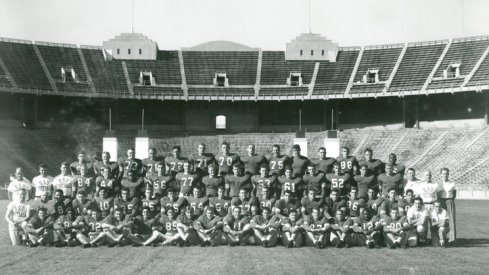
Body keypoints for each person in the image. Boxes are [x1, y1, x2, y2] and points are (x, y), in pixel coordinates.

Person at [437, 167, 456, 245]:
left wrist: (449, 200)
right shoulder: (438, 183)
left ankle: (452, 239)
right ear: (441, 174)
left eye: (446, 174)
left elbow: (454, 194)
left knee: (451, 220)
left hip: (449, 201)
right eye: (443, 174)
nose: (445, 175)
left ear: (448, 174)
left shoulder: (452, 183)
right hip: (441, 201)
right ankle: (441, 238)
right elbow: (437, 194)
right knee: (441, 219)